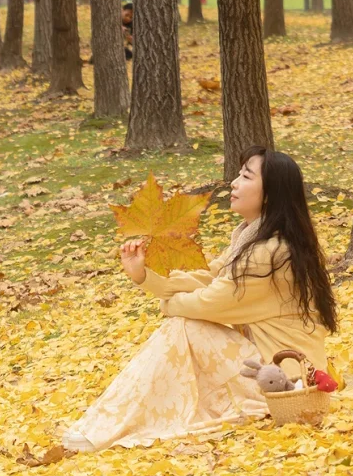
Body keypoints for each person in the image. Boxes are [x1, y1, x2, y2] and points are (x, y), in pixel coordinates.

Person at [61, 148, 337, 451]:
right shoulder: (252, 239)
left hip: (284, 382)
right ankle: (112, 420)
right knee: (182, 325)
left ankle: (107, 425)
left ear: (269, 194)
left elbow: (209, 302)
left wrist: (167, 304)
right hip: (270, 367)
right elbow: (209, 275)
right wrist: (145, 276)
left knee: (181, 326)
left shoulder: (268, 254)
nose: (233, 183)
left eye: (245, 176)